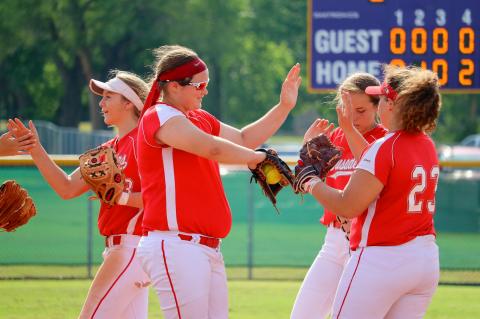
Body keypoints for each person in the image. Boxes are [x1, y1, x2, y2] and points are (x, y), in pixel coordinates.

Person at [135, 44, 301, 319]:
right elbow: (211, 148)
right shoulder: (159, 116)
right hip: (176, 244)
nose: (205, 91)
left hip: (205, 247)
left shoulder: (198, 118)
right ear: (174, 86)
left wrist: (284, 107)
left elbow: (245, 139)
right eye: (199, 85)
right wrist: (254, 159)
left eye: (206, 84)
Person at [297, 65, 441, 319]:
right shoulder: (427, 145)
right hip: (424, 258)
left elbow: (347, 205)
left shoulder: (385, 146)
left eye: (383, 98)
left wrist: (309, 180)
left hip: (382, 256)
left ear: (391, 106)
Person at [8, 70, 151, 319]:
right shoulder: (106, 151)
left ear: (129, 102)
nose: (101, 103)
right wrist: (35, 148)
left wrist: (121, 197)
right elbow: (66, 188)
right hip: (119, 250)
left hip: (132, 248)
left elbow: (164, 198)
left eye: (108, 96)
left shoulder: (146, 142)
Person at [291, 73, 388, 319]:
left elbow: (371, 164)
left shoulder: (384, 140)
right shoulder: (335, 138)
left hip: (368, 242)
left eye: (361, 110)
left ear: (378, 107)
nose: (353, 118)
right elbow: (303, 182)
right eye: (347, 109)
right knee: (303, 314)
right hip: (334, 240)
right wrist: (306, 150)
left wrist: (346, 129)